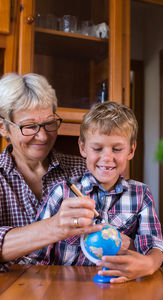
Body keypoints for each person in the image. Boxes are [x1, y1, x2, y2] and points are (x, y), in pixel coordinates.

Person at [33, 101, 163, 283]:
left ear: (131, 150)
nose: (107, 158)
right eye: (97, 148)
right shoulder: (62, 193)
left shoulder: (141, 194)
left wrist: (150, 264)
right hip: (66, 288)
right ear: (83, 148)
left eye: (117, 149)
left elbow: (154, 244)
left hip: (121, 289)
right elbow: (36, 255)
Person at [0, 73, 102, 272]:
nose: (42, 136)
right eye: (30, 126)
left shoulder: (82, 169)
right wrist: (54, 227)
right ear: (4, 128)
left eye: (49, 124)